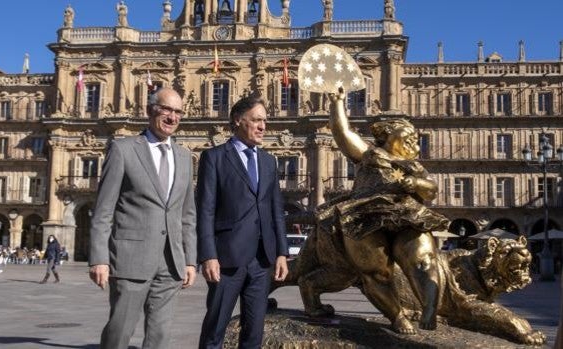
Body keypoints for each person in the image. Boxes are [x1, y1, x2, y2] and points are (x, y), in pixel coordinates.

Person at [310, 88, 448, 333]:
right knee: (376, 270)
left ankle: (429, 307)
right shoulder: (370, 154)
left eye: (416, 138)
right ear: (387, 133)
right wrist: (338, 104)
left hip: (407, 216)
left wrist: (416, 183)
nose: (414, 140)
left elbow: (432, 190)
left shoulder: (413, 166)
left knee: (424, 259)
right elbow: (343, 133)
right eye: (408, 134)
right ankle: (396, 316)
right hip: (366, 216)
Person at [89, 87, 197, 349]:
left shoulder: (185, 157)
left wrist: (190, 260)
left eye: (178, 112)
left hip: (171, 261)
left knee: (160, 336)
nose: (173, 117)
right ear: (150, 110)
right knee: (120, 330)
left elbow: (187, 214)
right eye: (166, 110)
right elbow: (104, 210)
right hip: (130, 258)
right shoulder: (123, 149)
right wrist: (99, 258)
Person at [197, 95, 289, 349]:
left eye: (265, 121)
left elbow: (276, 210)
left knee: (254, 333)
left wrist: (281, 252)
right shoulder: (214, 157)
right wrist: (208, 255)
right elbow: (205, 209)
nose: (263, 127)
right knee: (215, 329)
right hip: (226, 258)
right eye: (257, 120)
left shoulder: (269, 161)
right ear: (238, 120)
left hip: (261, 260)